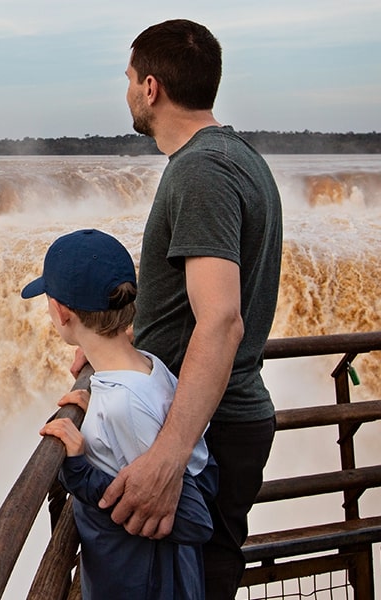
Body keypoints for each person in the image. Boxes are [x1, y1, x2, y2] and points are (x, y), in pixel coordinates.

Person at [70, 19, 283, 599]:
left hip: (206, 429)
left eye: (129, 78)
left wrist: (169, 455)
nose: (127, 91)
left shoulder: (202, 171)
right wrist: (112, 354)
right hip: (213, 419)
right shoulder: (237, 158)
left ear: (151, 88)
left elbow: (220, 320)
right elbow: (190, 307)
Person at [23, 228, 218, 600]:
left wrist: (79, 471)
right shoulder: (150, 366)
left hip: (145, 585)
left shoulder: (124, 405)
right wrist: (94, 407)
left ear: (63, 313)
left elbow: (194, 519)